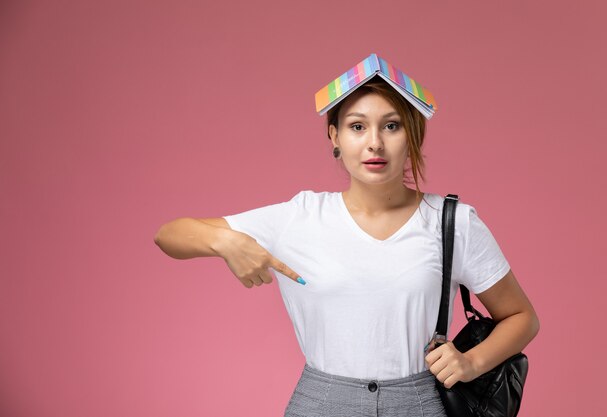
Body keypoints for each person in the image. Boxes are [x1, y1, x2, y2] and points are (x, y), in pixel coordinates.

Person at [153, 56, 540, 417]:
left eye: (392, 125)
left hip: (418, 403)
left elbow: (522, 317)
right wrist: (225, 242)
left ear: (413, 135)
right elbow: (169, 235)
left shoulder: (452, 222)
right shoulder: (301, 217)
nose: (375, 142)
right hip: (320, 403)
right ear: (334, 136)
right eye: (357, 126)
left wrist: (471, 362)